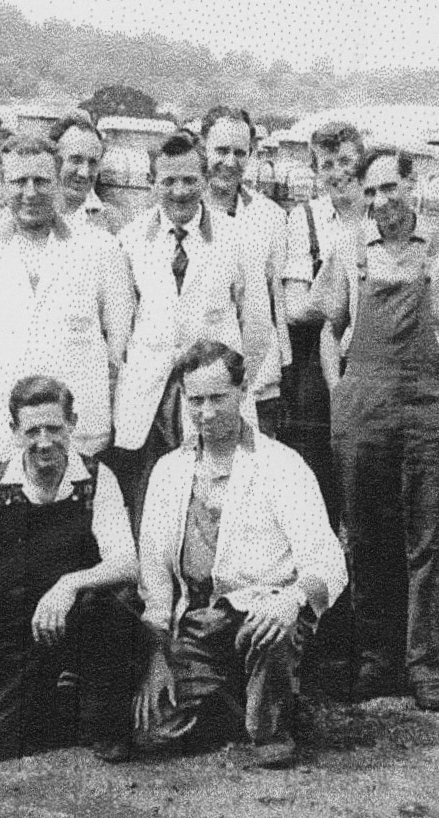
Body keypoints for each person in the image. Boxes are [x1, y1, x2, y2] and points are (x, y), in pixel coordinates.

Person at [319, 148, 439, 711]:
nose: (379, 202)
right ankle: (376, 659)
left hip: (426, 405)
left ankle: (425, 666)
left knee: (428, 539)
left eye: (388, 188)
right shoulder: (349, 249)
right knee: (366, 533)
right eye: (369, 193)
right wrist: (337, 389)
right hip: (363, 404)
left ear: (412, 187)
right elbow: (330, 326)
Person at [134, 340, 345, 768]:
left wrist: (291, 601)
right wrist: (155, 656)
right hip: (198, 625)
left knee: (270, 642)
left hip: (264, 618)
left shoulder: (282, 465)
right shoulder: (169, 472)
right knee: (152, 732)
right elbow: (155, 580)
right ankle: (242, 697)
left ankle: (270, 720)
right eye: (195, 400)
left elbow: (328, 559)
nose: (206, 413)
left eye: (218, 398)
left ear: (243, 392)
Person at [0, 376, 141, 763]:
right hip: (19, 631)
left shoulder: (97, 479)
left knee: (113, 605)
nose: (44, 441)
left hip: (84, 621)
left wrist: (68, 584)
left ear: (73, 423)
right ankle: (60, 700)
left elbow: (126, 564)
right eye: (32, 430)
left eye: (54, 428)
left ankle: (101, 715)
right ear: (14, 433)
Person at [112, 132, 271, 531]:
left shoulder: (237, 238)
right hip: (149, 399)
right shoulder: (130, 240)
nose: (179, 191)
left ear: (204, 178)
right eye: (168, 181)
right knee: (149, 504)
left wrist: (235, 384)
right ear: (152, 183)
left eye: (189, 180)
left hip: (212, 393)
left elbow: (256, 326)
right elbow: (119, 325)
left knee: (213, 502)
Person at [0, 134, 134, 469]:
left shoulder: (101, 249)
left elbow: (118, 343)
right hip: (1, 441)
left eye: (41, 180)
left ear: (58, 182)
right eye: (19, 181)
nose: (30, 192)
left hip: (79, 439)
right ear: (2, 187)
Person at [279, 121, 367, 697]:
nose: (338, 176)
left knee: (364, 511)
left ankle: (362, 648)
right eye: (327, 166)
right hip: (316, 378)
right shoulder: (305, 222)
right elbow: (293, 308)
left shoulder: (384, 219)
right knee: (317, 508)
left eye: (348, 166)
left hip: (375, 371)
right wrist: (344, 284)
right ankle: (315, 647)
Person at [201, 106, 288, 435]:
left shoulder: (270, 216)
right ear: (203, 149)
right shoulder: (184, 212)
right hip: (199, 383)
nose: (230, 161)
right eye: (221, 151)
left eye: (240, 152)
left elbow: (273, 301)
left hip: (258, 382)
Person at [49, 109, 128, 234]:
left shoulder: (112, 222)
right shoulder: (31, 212)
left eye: (92, 163)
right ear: (55, 162)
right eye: (76, 160)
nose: (84, 173)